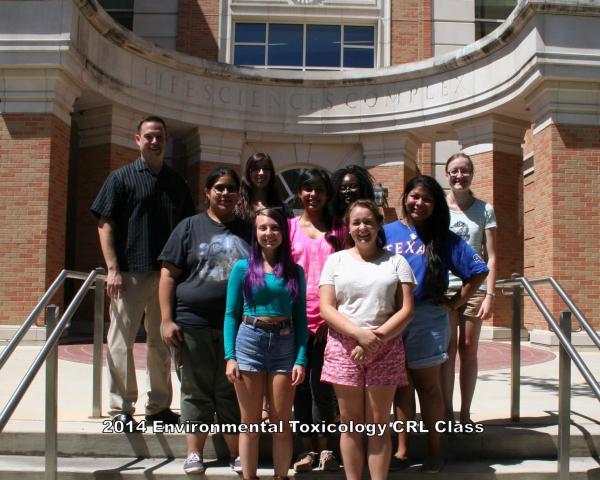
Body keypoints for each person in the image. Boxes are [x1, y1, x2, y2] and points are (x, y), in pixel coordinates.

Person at [91, 115, 195, 430]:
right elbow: (104, 223)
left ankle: (159, 407)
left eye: (159, 136)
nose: (154, 141)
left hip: (167, 276)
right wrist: (112, 269)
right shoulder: (120, 178)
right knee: (120, 341)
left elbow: (187, 230)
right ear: (137, 139)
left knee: (162, 341)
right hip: (129, 274)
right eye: (148, 136)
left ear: (166, 140)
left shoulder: (177, 183)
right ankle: (121, 408)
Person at [383, 175, 489, 473]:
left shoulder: (443, 236)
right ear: (405, 197)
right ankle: (402, 450)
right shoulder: (386, 232)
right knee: (400, 387)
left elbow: (478, 270)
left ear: (435, 205)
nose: (420, 203)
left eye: (427, 199)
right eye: (415, 196)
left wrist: (456, 302)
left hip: (427, 318)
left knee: (429, 388)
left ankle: (434, 450)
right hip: (391, 319)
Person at [158, 168, 251, 475]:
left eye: (231, 189)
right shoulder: (189, 227)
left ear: (238, 194)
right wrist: (166, 319)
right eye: (219, 188)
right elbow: (169, 275)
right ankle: (194, 453)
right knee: (195, 390)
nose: (225, 193)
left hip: (237, 325)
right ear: (208, 192)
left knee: (231, 388)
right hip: (192, 323)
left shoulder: (248, 230)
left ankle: (236, 453)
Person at [320, 199, 416, 480]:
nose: (363, 228)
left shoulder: (396, 261)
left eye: (369, 222)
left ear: (378, 225)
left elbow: (407, 309)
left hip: (386, 345)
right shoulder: (335, 260)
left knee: (378, 423)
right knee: (350, 424)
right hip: (344, 347)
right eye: (356, 222)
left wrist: (375, 339)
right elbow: (326, 308)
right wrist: (358, 335)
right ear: (348, 227)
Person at [224, 207, 308, 480]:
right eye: (263, 228)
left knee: (281, 422)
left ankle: (281, 476)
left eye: (275, 228)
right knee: (249, 423)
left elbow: (300, 319)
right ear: (255, 232)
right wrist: (230, 356)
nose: (269, 233)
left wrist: (300, 359)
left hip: (284, 345)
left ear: (284, 233)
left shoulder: (295, 271)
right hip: (249, 342)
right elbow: (231, 314)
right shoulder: (242, 268)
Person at [289, 168, 345, 472]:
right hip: (295, 321)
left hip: (329, 321)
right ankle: (307, 449)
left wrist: (331, 317)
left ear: (328, 194)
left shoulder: (339, 230)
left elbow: (346, 276)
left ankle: (327, 449)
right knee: (300, 387)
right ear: (299, 192)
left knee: (324, 387)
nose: (314, 194)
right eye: (308, 188)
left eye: (320, 189)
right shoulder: (288, 228)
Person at [441, 153, 497, 424]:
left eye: (464, 171)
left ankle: (465, 414)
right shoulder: (439, 208)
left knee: (468, 349)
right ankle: (448, 413)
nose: (459, 176)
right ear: (447, 174)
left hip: (474, 288)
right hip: (446, 289)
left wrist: (490, 294)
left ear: (472, 174)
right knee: (448, 351)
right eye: (454, 171)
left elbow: (492, 256)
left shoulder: (484, 209)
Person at [235, 152, 290, 224]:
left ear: (271, 173)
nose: (261, 172)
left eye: (266, 168)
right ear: (249, 173)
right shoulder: (237, 207)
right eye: (256, 168)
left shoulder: (282, 209)